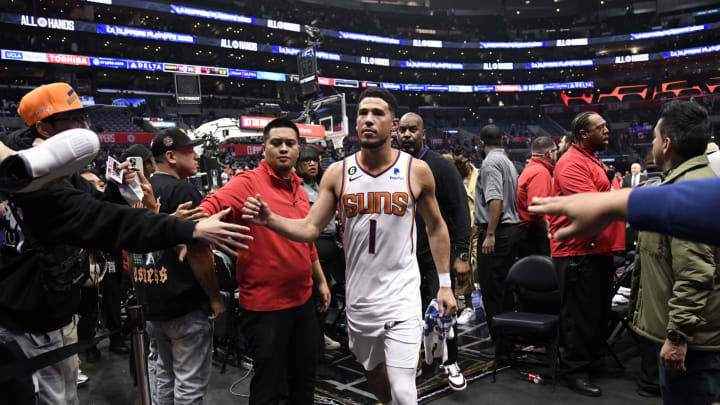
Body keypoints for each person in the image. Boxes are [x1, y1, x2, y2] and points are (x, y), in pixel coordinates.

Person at [0, 82, 251, 405]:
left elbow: (90, 212)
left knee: (150, 375)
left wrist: (115, 192)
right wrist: (188, 230)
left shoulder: (54, 173)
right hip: (29, 323)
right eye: (72, 120)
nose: (83, 128)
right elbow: (99, 219)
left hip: (53, 312)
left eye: (83, 117)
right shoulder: (32, 180)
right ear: (44, 127)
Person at [242, 88, 457, 405]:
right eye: (362, 113)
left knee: (404, 390)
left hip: (402, 294)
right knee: (374, 372)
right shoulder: (338, 173)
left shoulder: (416, 171)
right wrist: (270, 219)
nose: (368, 120)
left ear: (393, 124)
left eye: (377, 113)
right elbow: (310, 228)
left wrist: (445, 284)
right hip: (359, 298)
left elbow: (437, 225)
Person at [199, 118, 330, 404]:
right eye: (276, 143)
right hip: (265, 306)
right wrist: (194, 225)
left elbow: (306, 240)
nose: (283, 149)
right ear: (263, 148)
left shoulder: (298, 186)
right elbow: (210, 206)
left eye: (290, 143)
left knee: (304, 378)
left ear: (298, 149)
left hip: (303, 300)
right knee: (269, 386)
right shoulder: (246, 183)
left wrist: (319, 280)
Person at [629, 101, 720, 405]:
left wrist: (677, 336)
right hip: (695, 338)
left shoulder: (685, 192)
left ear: (666, 144)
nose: (652, 143)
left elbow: (695, 273)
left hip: (691, 345)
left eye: (654, 137)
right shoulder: (692, 183)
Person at [132, 128, 226, 405]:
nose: (197, 156)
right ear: (171, 156)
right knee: (188, 383)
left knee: (164, 375)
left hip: (150, 295)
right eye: (190, 151)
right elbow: (198, 253)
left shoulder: (142, 189)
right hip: (182, 300)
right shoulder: (181, 189)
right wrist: (215, 297)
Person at [548, 111, 625, 397]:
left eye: (606, 126)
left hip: (598, 248)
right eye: (600, 127)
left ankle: (590, 362)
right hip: (578, 251)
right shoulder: (570, 164)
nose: (607, 131)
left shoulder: (591, 159)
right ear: (583, 134)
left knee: (596, 313)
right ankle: (573, 371)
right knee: (578, 315)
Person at [397, 112, 470, 391]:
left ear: (423, 134)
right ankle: (417, 360)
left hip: (436, 255)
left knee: (443, 308)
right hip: (406, 255)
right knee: (410, 311)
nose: (406, 135)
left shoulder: (441, 166)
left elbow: (461, 212)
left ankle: (451, 361)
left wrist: (462, 255)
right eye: (402, 130)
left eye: (412, 130)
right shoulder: (396, 166)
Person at [296, 146, 343, 357]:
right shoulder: (297, 189)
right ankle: (316, 343)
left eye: (314, 160)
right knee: (319, 296)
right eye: (306, 161)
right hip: (315, 246)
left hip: (333, 244)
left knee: (334, 289)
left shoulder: (323, 185)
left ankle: (322, 333)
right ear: (298, 166)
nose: (312, 164)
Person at [474, 124, 519, 343]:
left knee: (492, 289)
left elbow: (495, 200)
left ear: (481, 142)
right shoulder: (507, 161)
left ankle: (500, 343)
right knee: (504, 288)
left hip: (497, 231)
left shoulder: (490, 163)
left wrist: (490, 234)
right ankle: (509, 338)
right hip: (509, 230)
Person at [451, 148, 480, 325]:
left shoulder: (480, 176)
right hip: (461, 232)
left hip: (479, 230)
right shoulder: (454, 179)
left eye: (460, 162)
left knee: (479, 270)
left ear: (468, 160)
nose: (458, 166)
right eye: (455, 163)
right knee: (463, 273)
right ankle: (468, 306)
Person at [516, 136, 556, 257]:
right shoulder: (540, 172)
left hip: (527, 233)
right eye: (556, 151)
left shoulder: (531, 169)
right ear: (549, 154)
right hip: (534, 235)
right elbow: (537, 209)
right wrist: (550, 233)